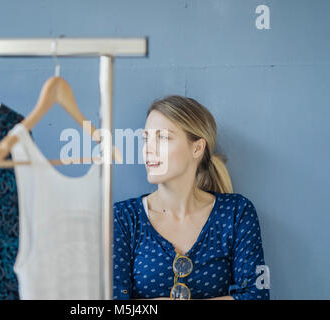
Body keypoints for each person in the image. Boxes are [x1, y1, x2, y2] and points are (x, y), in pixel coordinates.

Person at [113, 95, 270, 300]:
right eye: (146, 138)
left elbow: (257, 295)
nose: (147, 150)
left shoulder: (237, 213)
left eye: (163, 138)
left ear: (197, 148)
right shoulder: (123, 218)